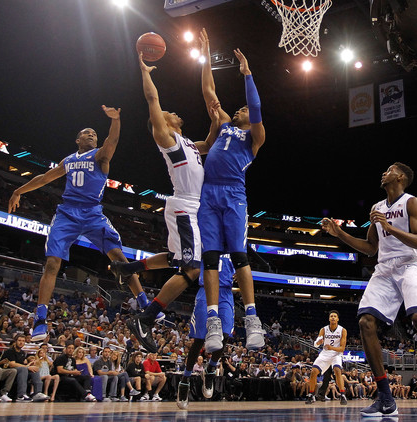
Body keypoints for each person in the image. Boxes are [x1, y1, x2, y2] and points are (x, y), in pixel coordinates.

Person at [321, 162, 417, 417]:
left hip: (410, 264)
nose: (383, 173)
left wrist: (390, 228)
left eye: (388, 170)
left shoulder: (412, 202)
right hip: (385, 269)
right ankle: (386, 398)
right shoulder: (377, 208)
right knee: (365, 321)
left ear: (400, 177)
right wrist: (339, 233)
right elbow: (369, 248)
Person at [7, 105, 154, 341]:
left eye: (95, 134)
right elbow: (45, 178)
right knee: (53, 262)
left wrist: (115, 120)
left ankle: (144, 302)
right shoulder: (69, 160)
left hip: (93, 213)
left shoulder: (100, 156)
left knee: (120, 258)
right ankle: (40, 319)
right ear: (77, 140)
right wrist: (19, 190)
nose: (92, 135)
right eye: (88, 133)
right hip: (67, 213)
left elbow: (112, 141)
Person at [111, 52, 219, 352]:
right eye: (168, 112)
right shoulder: (166, 138)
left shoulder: (189, 144)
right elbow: (152, 100)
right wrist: (146, 72)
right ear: (162, 123)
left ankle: (128, 267)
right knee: (192, 270)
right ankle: (145, 319)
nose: (172, 112)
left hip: (190, 209)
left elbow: (209, 144)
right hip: (185, 207)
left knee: (176, 259)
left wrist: (213, 117)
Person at [197, 28, 266, 353]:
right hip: (208, 195)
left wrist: (247, 74)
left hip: (234, 195)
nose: (238, 110)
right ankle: (213, 322)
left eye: (242, 110)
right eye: (236, 109)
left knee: (239, 256)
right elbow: (209, 90)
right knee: (209, 259)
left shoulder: (254, 138)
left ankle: (252, 319)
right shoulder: (225, 125)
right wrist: (207, 51)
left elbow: (256, 107)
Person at [177, 255, 235, 409]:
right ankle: (185, 379)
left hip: (225, 292)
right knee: (199, 339)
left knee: (226, 334)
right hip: (205, 290)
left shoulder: (235, 237)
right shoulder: (206, 234)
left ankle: (211, 369)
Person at [304, 310, 348, 405]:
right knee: (313, 372)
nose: (333, 317)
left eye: (334, 316)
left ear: (338, 319)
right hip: (325, 354)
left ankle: (342, 394)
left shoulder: (343, 330)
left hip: (336, 354)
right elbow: (316, 344)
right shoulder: (323, 329)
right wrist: (318, 343)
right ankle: (311, 395)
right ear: (329, 318)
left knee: (337, 370)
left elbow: (342, 348)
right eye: (331, 316)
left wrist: (331, 347)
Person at [1, 334, 49, 402]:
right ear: (15, 342)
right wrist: (28, 367)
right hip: (8, 371)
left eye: (23, 341)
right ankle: (21, 395)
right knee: (23, 369)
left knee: (34, 369)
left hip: (19, 371)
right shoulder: (10, 351)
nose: (21, 342)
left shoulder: (22, 353)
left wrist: (30, 365)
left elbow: (24, 365)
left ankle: (37, 393)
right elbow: (12, 364)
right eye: (19, 340)